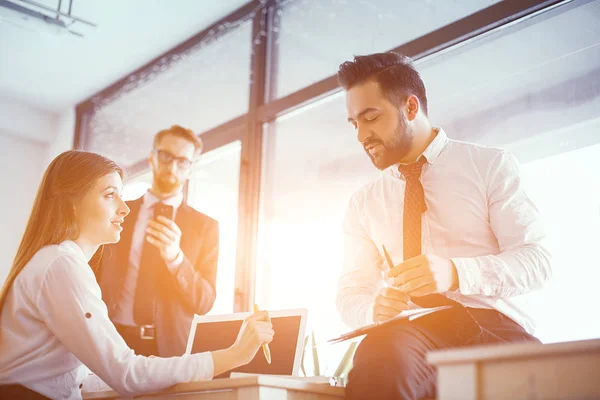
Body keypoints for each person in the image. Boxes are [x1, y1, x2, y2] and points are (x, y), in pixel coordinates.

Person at [335, 52, 552, 399]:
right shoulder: (363, 203)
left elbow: (538, 262)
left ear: (409, 108)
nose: (362, 135)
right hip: (411, 334)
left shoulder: (489, 166)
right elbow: (351, 292)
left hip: (494, 328)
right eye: (354, 124)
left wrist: (455, 272)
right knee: (379, 355)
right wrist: (372, 307)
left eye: (371, 118)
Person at [0, 150, 273, 400]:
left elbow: (76, 379)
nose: (124, 208)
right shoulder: (61, 265)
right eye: (110, 195)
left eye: (121, 193)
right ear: (72, 204)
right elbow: (126, 373)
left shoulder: (58, 261)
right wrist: (234, 355)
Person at [95, 125, 219, 357]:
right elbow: (93, 271)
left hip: (169, 350)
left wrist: (176, 258)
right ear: (152, 158)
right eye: (166, 156)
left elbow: (204, 302)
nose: (172, 166)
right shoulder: (120, 212)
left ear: (190, 170)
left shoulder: (206, 227)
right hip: (109, 341)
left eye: (182, 161)